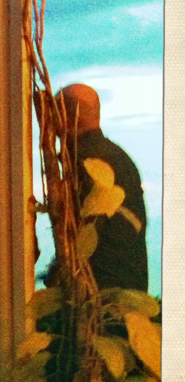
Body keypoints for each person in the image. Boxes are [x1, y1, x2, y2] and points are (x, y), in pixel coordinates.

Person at [50, 83, 148, 292]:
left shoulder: (84, 162)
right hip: (128, 292)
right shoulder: (119, 158)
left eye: (52, 113)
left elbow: (81, 238)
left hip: (99, 295)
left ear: (65, 115)